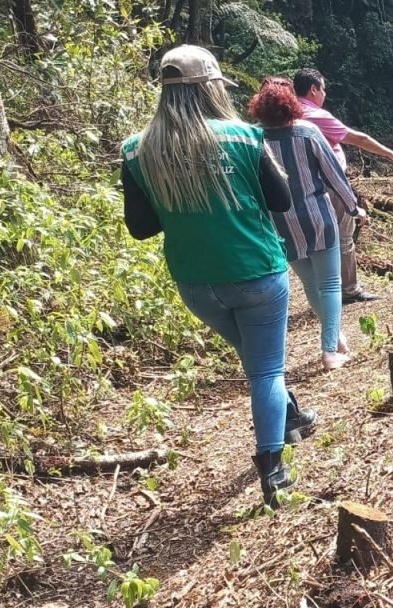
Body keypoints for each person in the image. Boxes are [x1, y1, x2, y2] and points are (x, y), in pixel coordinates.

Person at [120, 45, 314, 507]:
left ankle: (291, 416)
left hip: (196, 284)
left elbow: (141, 227)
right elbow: (282, 200)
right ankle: (273, 467)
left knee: (257, 359)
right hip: (258, 273)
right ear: (211, 89)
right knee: (266, 368)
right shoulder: (245, 137)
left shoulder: (137, 148)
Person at [248, 77, 359, 370]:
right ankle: (330, 350)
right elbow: (335, 174)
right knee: (331, 284)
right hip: (318, 219)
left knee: (311, 284)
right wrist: (353, 207)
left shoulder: (253, 138)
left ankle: (335, 338)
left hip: (281, 225)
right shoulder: (308, 132)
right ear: (291, 104)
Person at [293, 68, 393, 304]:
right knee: (343, 234)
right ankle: (348, 290)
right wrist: (390, 154)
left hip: (299, 186)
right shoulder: (315, 116)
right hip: (327, 184)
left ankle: (321, 285)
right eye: (323, 89)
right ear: (313, 89)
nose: (324, 94)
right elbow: (359, 139)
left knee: (316, 235)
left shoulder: (286, 111)